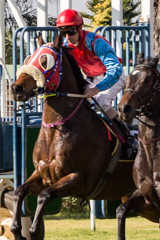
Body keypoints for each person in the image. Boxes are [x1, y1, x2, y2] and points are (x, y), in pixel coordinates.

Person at [56, 8, 130, 142]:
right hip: (91, 79)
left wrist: (97, 89)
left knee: (101, 101)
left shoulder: (97, 42)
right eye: (63, 32)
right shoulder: (66, 45)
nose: (67, 37)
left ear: (80, 29)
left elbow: (115, 70)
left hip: (112, 77)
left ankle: (127, 135)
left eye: (71, 31)